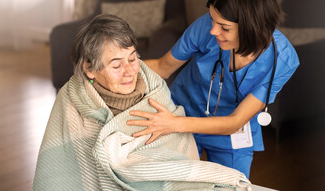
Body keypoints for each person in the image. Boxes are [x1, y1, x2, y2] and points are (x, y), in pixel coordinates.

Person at [33, 14, 251, 191]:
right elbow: (60, 168)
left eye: (133, 58)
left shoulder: (154, 88)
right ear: (89, 69)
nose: (130, 72)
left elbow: (175, 151)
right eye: (116, 66)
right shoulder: (72, 98)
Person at [127, 0, 300, 178]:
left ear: (252, 28)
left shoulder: (283, 60)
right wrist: (119, 66)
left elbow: (235, 121)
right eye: (213, 20)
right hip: (182, 112)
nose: (213, 31)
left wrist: (172, 123)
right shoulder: (207, 26)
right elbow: (163, 67)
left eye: (224, 28)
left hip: (229, 132)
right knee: (178, 181)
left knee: (232, 183)